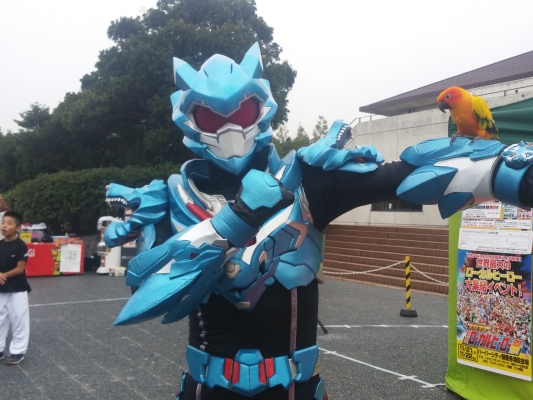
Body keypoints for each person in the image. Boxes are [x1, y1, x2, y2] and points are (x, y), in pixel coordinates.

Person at [103, 43, 533, 399]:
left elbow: (405, 175)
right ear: (190, 119)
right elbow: (145, 294)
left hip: (296, 387)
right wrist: (239, 219)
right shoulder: (172, 196)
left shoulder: (308, 179)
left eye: (243, 112)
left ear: (262, 110)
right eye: (213, 117)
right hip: (208, 388)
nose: (231, 127)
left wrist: (512, 170)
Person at [0, 211, 31, 365]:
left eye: (9, 223)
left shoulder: (21, 245)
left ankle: (18, 351)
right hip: (1, 289)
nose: (4, 226)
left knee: (18, 318)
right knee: (0, 319)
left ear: (18, 228)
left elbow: (20, 268)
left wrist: (3, 275)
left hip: (17, 288)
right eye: (3, 222)